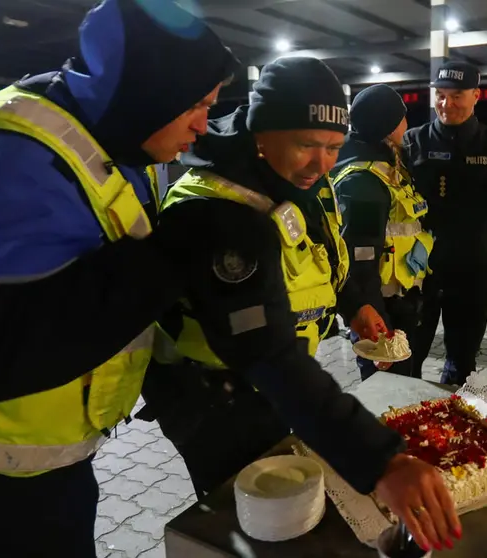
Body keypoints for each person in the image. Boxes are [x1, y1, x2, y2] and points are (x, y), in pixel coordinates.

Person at [0, 1, 238, 556]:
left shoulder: (113, 135)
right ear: (150, 90)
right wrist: (171, 257)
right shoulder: (19, 167)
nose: (203, 127)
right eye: (197, 107)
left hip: (38, 448)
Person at [141, 57, 461, 552]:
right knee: (254, 525)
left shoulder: (300, 182)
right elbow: (265, 353)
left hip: (272, 386)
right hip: (213, 399)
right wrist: (382, 462)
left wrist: (354, 304)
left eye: (333, 147)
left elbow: (324, 249)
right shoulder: (219, 213)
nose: (322, 162)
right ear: (261, 133)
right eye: (306, 144)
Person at [404, 61, 487, 384]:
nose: (446, 104)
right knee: (407, 361)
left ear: (476, 95)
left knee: (460, 365)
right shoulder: (413, 143)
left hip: (472, 275)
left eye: (456, 96)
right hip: (418, 275)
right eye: (440, 95)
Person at [330, 84, 432, 380]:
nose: (406, 123)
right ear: (389, 125)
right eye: (402, 117)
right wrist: (378, 332)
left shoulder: (390, 165)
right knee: (386, 392)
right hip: (382, 312)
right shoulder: (363, 181)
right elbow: (359, 261)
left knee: (403, 387)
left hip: (400, 300)